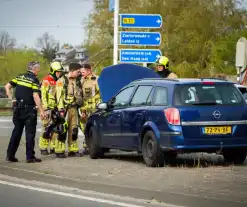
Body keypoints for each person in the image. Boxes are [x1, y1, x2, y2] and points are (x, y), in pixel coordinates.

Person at [5, 61, 46, 163]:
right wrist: (41, 110)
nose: (39, 71)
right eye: (38, 69)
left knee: (16, 132)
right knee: (30, 133)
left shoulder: (19, 76)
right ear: (35, 69)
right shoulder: (34, 80)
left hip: (18, 109)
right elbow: (35, 96)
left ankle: (10, 155)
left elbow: (7, 87)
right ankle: (30, 157)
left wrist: (12, 99)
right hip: (29, 110)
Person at [55, 62, 83, 158]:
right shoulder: (62, 81)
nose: (79, 73)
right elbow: (59, 96)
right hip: (65, 109)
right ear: (72, 70)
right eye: (78, 71)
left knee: (74, 129)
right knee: (62, 130)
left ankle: (73, 150)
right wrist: (61, 109)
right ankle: (59, 150)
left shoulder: (78, 81)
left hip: (74, 108)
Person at [39, 61, 65, 155]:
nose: (59, 73)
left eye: (60, 72)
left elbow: (60, 96)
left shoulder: (59, 81)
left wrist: (61, 108)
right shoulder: (46, 80)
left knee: (56, 129)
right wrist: (45, 108)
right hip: (48, 108)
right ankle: (43, 147)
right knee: (46, 129)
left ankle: (53, 147)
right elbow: (43, 95)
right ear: (53, 71)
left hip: (56, 108)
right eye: (58, 72)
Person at [79, 63, 101, 154]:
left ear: (89, 70)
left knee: (93, 127)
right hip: (83, 108)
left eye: (83, 72)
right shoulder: (80, 80)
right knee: (84, 127)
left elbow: (100, 93)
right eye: (81, 72)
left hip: (93, 107)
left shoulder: (96, 79)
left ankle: (92, 146)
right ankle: (86, 145)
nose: (82, 73)